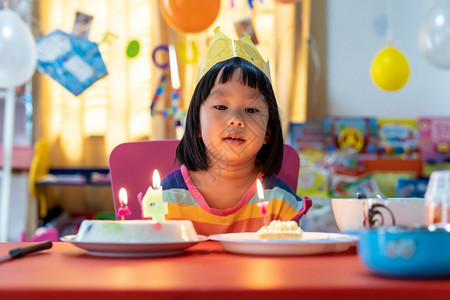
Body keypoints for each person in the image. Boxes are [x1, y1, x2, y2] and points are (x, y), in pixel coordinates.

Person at [162, 27, 312, 236]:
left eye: (251, 110)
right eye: (221, 107)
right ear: (196, 124)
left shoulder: (279, 202)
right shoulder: (168, 197)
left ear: (268, 132)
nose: (236, 120)